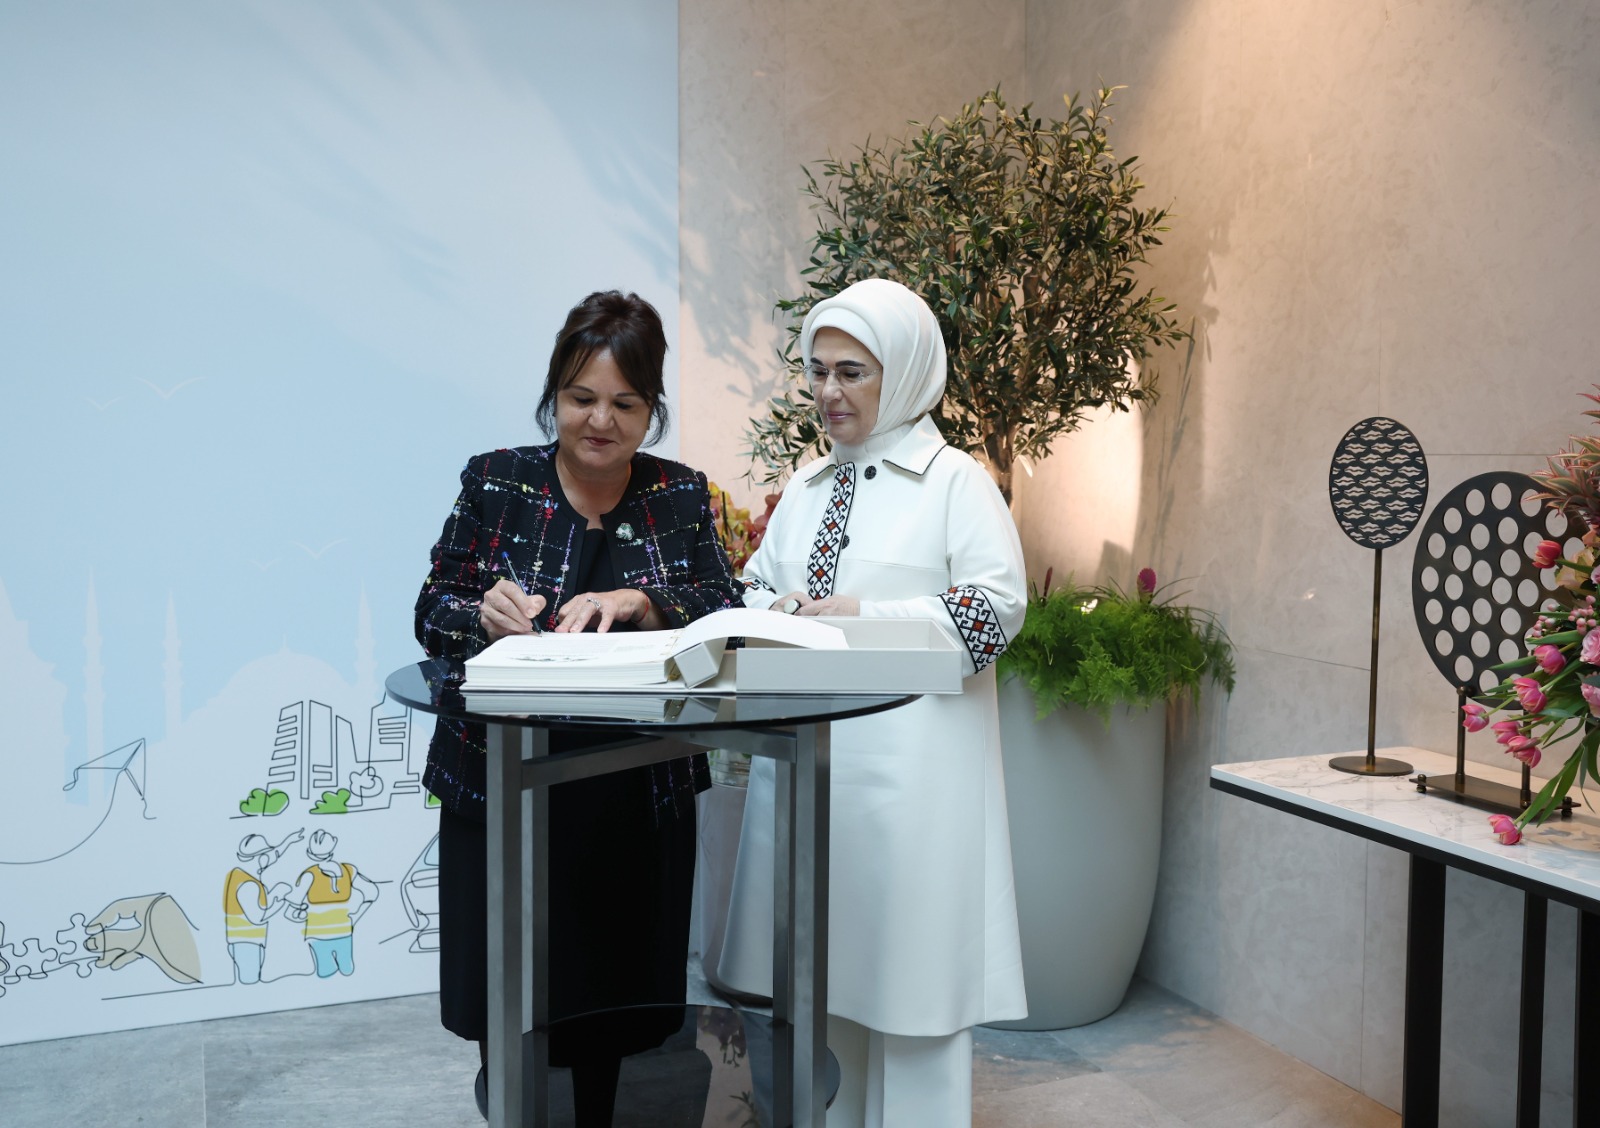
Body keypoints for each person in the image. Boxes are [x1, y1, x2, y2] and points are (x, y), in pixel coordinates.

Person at [414, 289, 742, 1125]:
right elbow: (432, 609)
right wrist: (480, 612)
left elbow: (725, 605)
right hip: (504, 783)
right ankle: (514, 1109)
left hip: (634, 788)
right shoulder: (498, 481)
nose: (600, 421)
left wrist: (644, 600)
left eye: (625, 404)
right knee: (506, 985)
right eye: (581, 397)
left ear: (652, 408)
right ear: (554, 395)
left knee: (611, 998)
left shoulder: (679, 493)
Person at [717, 278, 1029, 1127]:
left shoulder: (955, 482)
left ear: (907, 370)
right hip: (813, 782)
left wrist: (863, 617)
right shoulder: (808, 485)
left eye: (851, 372)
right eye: (818, 371)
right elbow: (754, 588)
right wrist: (775, 610)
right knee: (822, 995)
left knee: (915, 998)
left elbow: (995, 612)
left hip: (915, 789)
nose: (828, 391)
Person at [287, 829, 378, 979]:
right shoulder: (348, 870)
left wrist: (299, 912)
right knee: (347, 969)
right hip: (343, 930)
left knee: (326, 971)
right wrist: (356, 914)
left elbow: (292, 910)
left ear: (310, 852)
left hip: (317, 934)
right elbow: (372, 892)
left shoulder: (309, 874)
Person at [223, 830, 301, 985]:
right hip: (246, 942)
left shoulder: (241, 875)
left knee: (251, 978)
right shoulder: (248, 885)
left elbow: (275, 854)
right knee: (250, 981)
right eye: (265, 855)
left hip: (248, 941)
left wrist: (289, 840)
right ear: (258, 858)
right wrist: (280, 901)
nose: (269, 858)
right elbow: (258, 917)